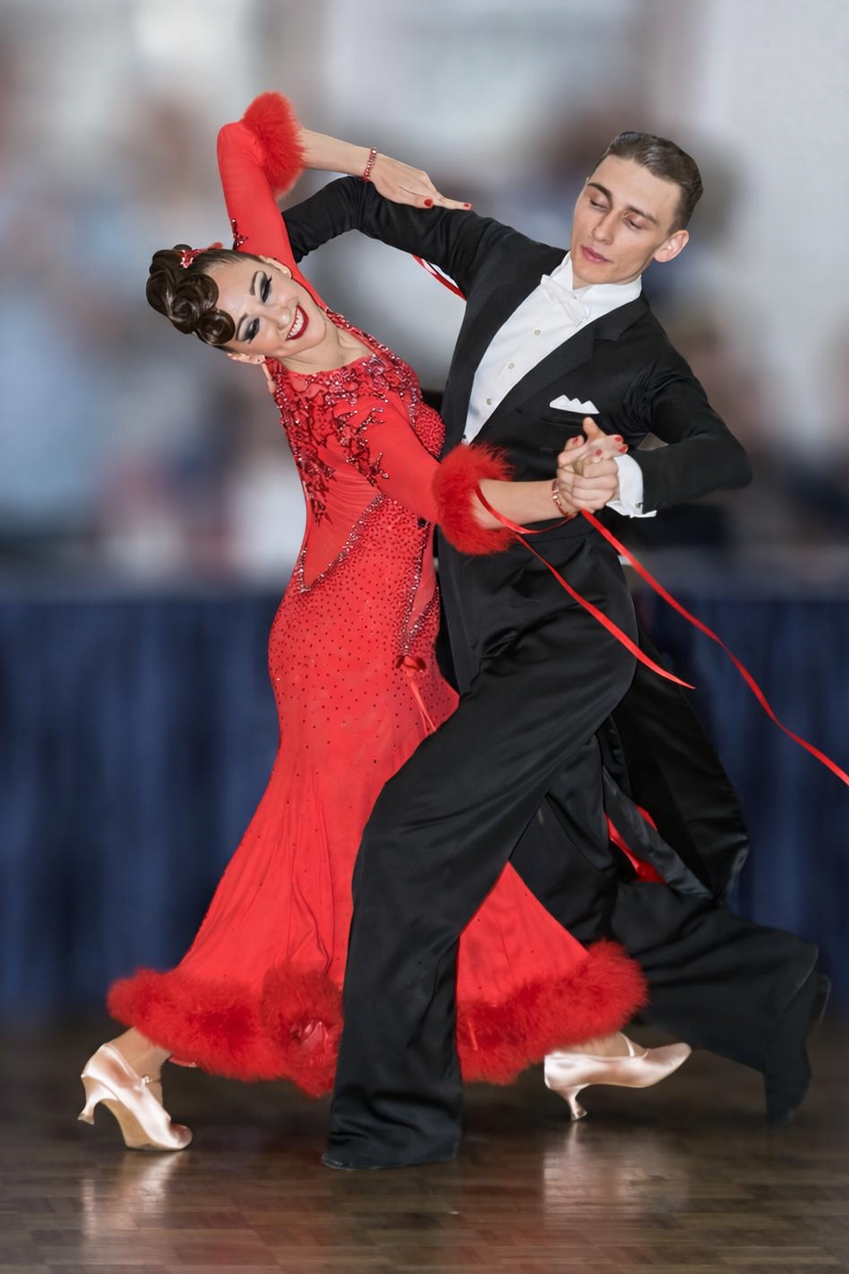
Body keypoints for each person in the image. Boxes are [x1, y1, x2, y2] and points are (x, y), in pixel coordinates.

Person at [77, 94, 691, 1154]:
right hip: (347, 660)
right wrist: (576, 488)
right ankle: (134, 1053)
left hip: (370, 647)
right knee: (334, 870)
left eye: (268, 283)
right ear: (239, 353)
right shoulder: (346, 405)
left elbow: (239, 141)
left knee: (435, 847)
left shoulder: (291, 300)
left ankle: (564, 1037)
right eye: (256, 321)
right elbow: (460, 502)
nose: (281, 309)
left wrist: (377, 166)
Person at [281, 119, 827, 1170]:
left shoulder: (640, 360)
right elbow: (357, 207)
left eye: (634, 221)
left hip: (564, 639)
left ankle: (394, 1124)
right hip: (467, 626)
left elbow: (720, 457)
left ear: (667, 246)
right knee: (558, 878)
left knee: (407, 835)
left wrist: (617, 481)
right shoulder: (503, 257)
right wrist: (266, 283)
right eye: (595, 199)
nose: (602, 229)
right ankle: (766, 985)